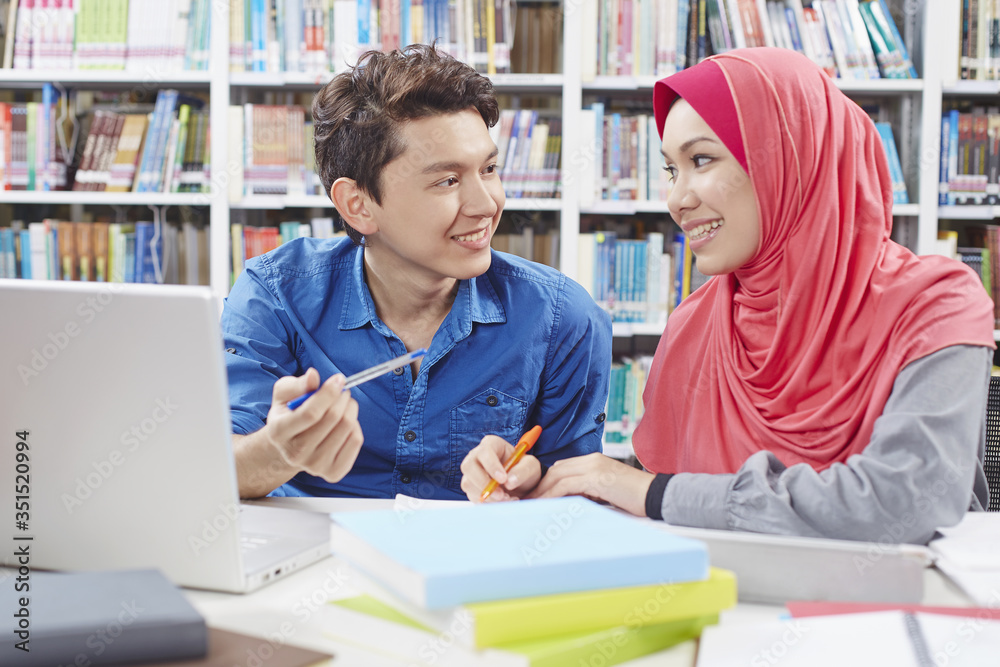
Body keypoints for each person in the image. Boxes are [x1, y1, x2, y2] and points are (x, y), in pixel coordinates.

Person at [461, 47, 996, 545]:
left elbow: (906, 502)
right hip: (721, 617)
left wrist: (643, 490)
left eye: (702, 160)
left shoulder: (936, 304)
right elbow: (664, 511)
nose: (677, 199)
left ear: (789, 157)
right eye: (671, 170)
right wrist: (547, 490)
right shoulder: (695, 324)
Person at [222, 44, 612, 500]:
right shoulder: (274, 294)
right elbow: (214, 469)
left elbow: (578, 501)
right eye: (447, 181)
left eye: (489, 169)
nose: (487, 204)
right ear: (358, 204)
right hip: (316, 564)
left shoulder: (564, 318)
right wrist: (279, 451)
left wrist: (530, 489)